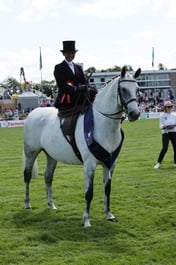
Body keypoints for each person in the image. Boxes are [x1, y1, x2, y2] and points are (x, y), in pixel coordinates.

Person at [54, 40, 97, 112]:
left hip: (79, 95)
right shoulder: (59, 67)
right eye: (68, 53)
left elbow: (84, 81)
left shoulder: (78, 67)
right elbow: (61, 85)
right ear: (64, 54)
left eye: (72, 53)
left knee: (93, 92)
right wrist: (76, 88)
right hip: (67, 96)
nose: (71, 55)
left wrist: (87, 86)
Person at [154, 100, 176, 169]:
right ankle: (158, 163)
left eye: (171, 106)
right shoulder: (162, 116)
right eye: (168, 107)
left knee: (175, 148)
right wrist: (164, 126)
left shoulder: (174, 115)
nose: (169, 108)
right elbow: (160, 126)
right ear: (165, 108)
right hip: (165, 133)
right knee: (164, 148)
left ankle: (175, 163)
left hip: (174, 132)